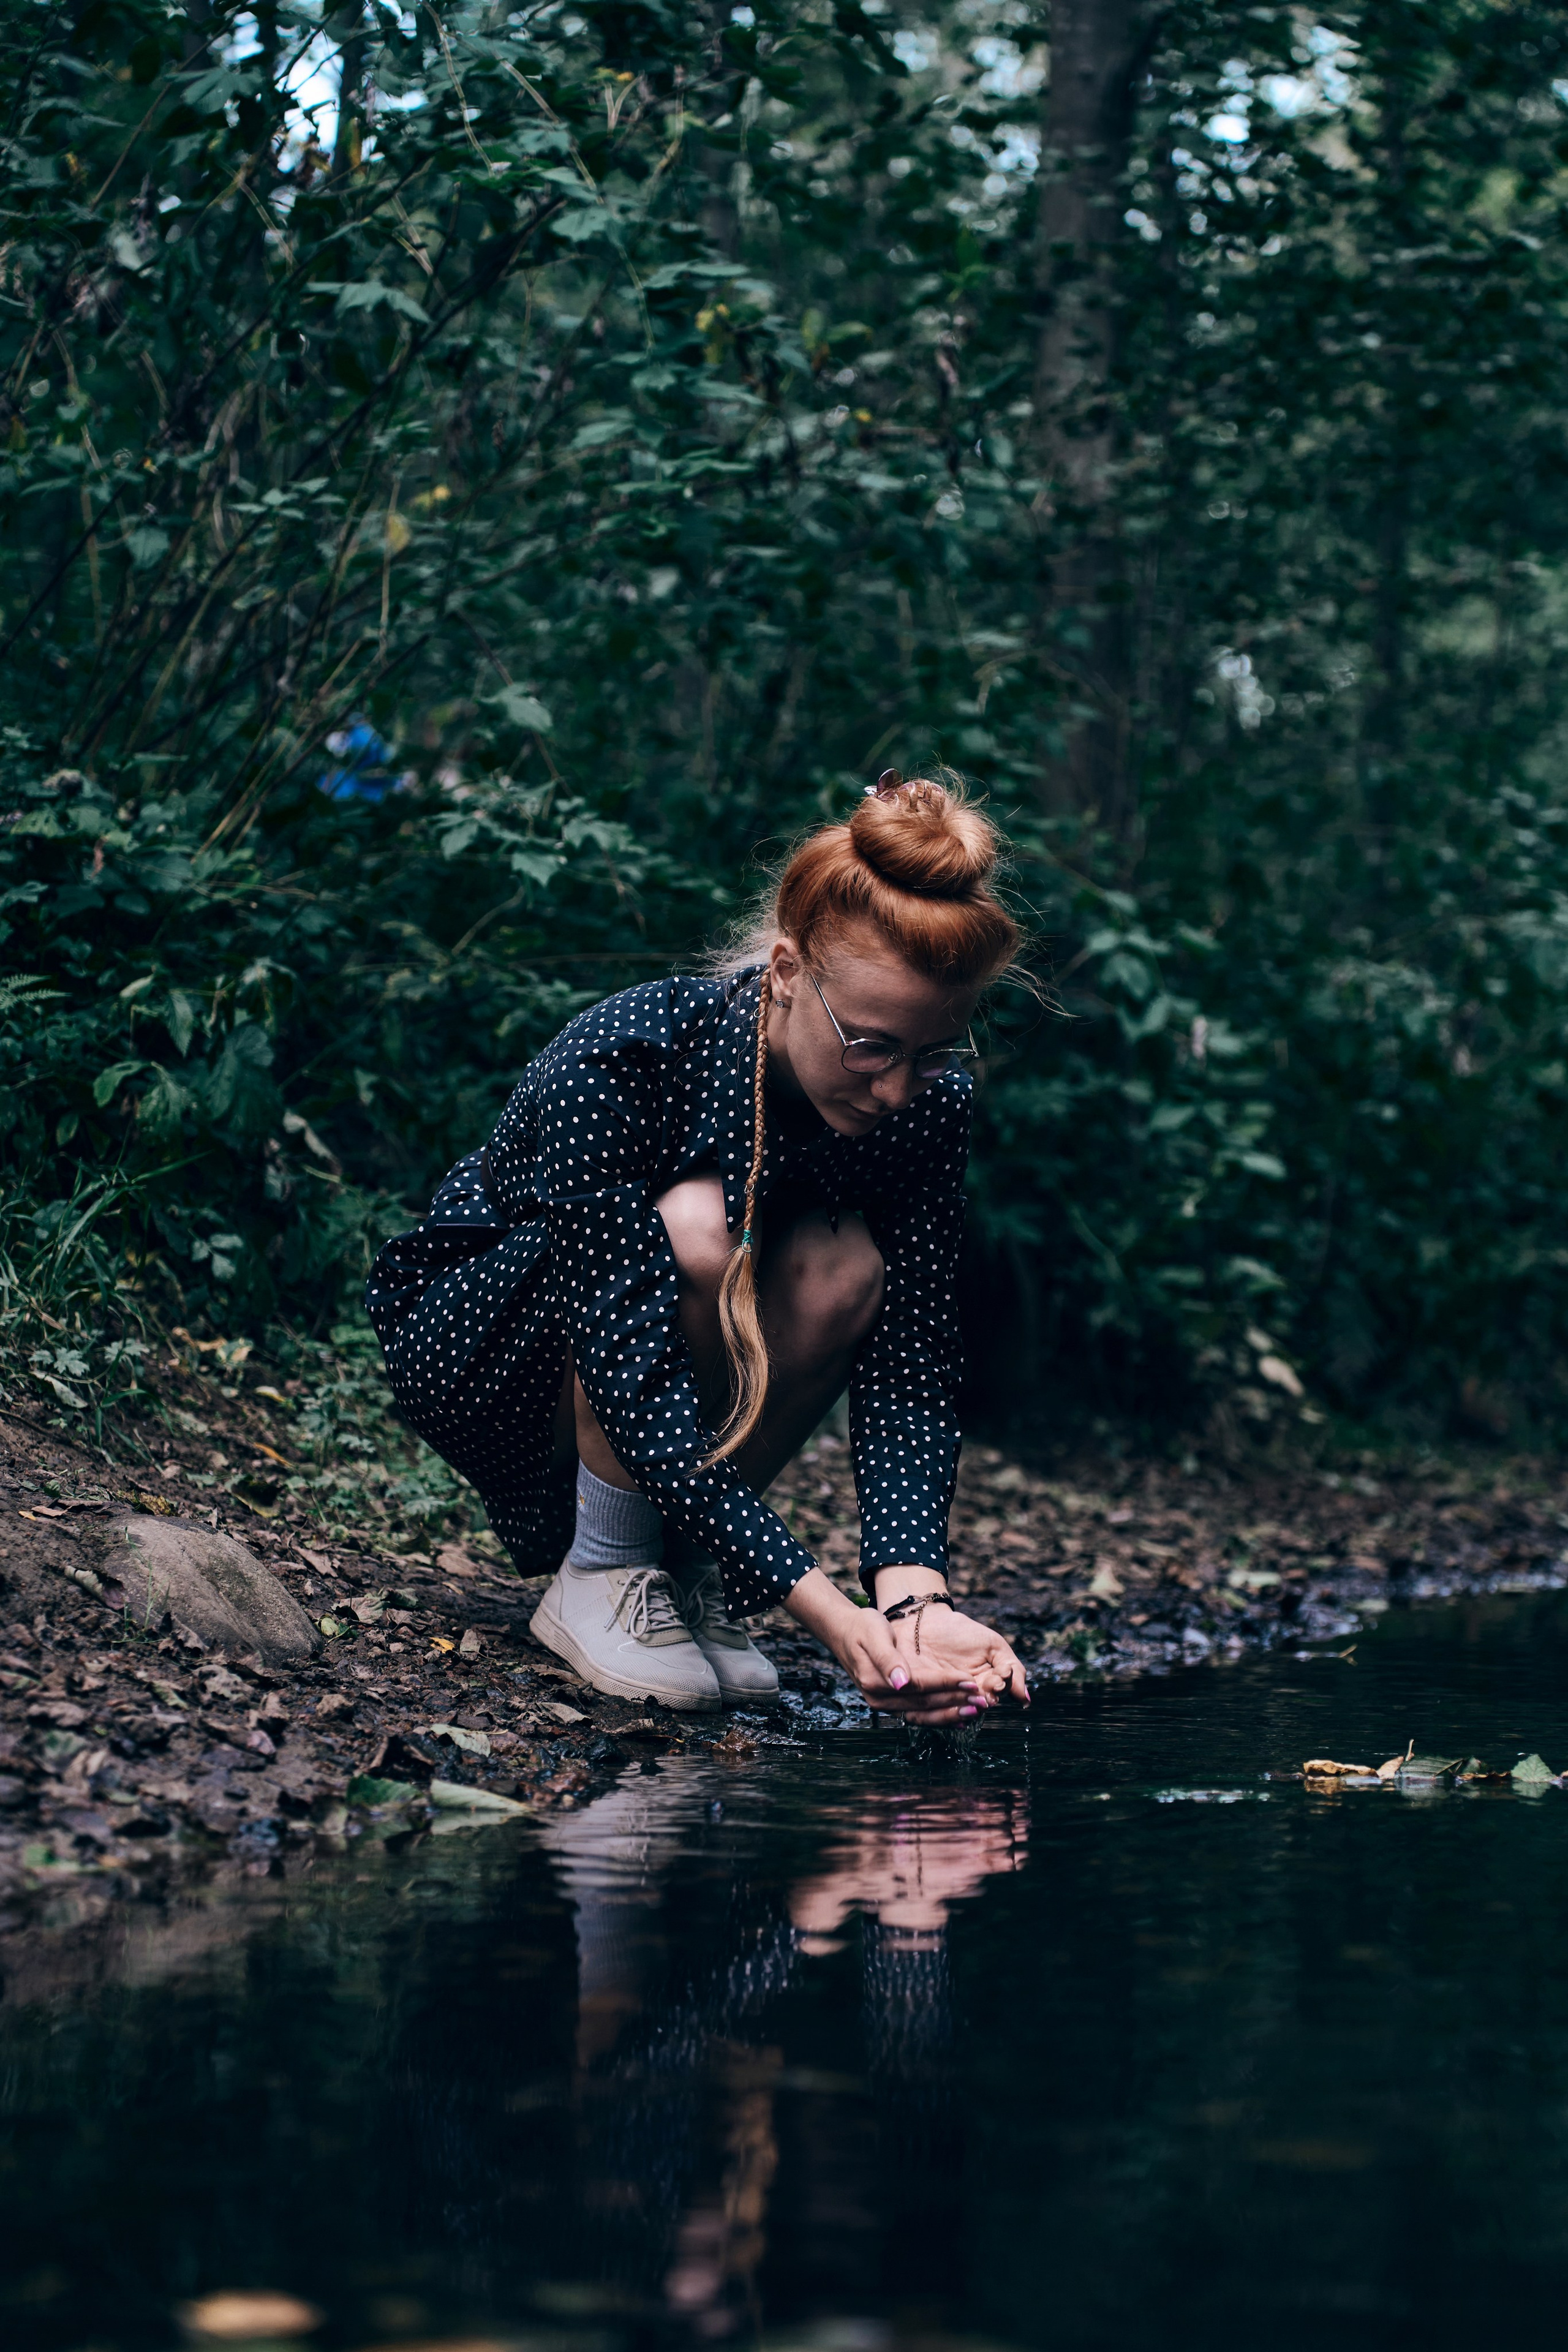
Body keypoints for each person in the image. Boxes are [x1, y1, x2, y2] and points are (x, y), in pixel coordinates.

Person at [366, 771, 1028, 1723]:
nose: (894, 1090)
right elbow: (628, 1361)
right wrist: (827, 1616)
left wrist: (912, 1608)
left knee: (846, 1269)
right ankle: (603, 1570)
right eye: (873, 1046)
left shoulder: (927, 1108)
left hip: (666, 1395)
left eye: (932, 1055)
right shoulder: (627, 1055)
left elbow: (910, 1364)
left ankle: (680, 1569)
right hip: (491, 1351)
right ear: (787, 972)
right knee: (702, 1228)